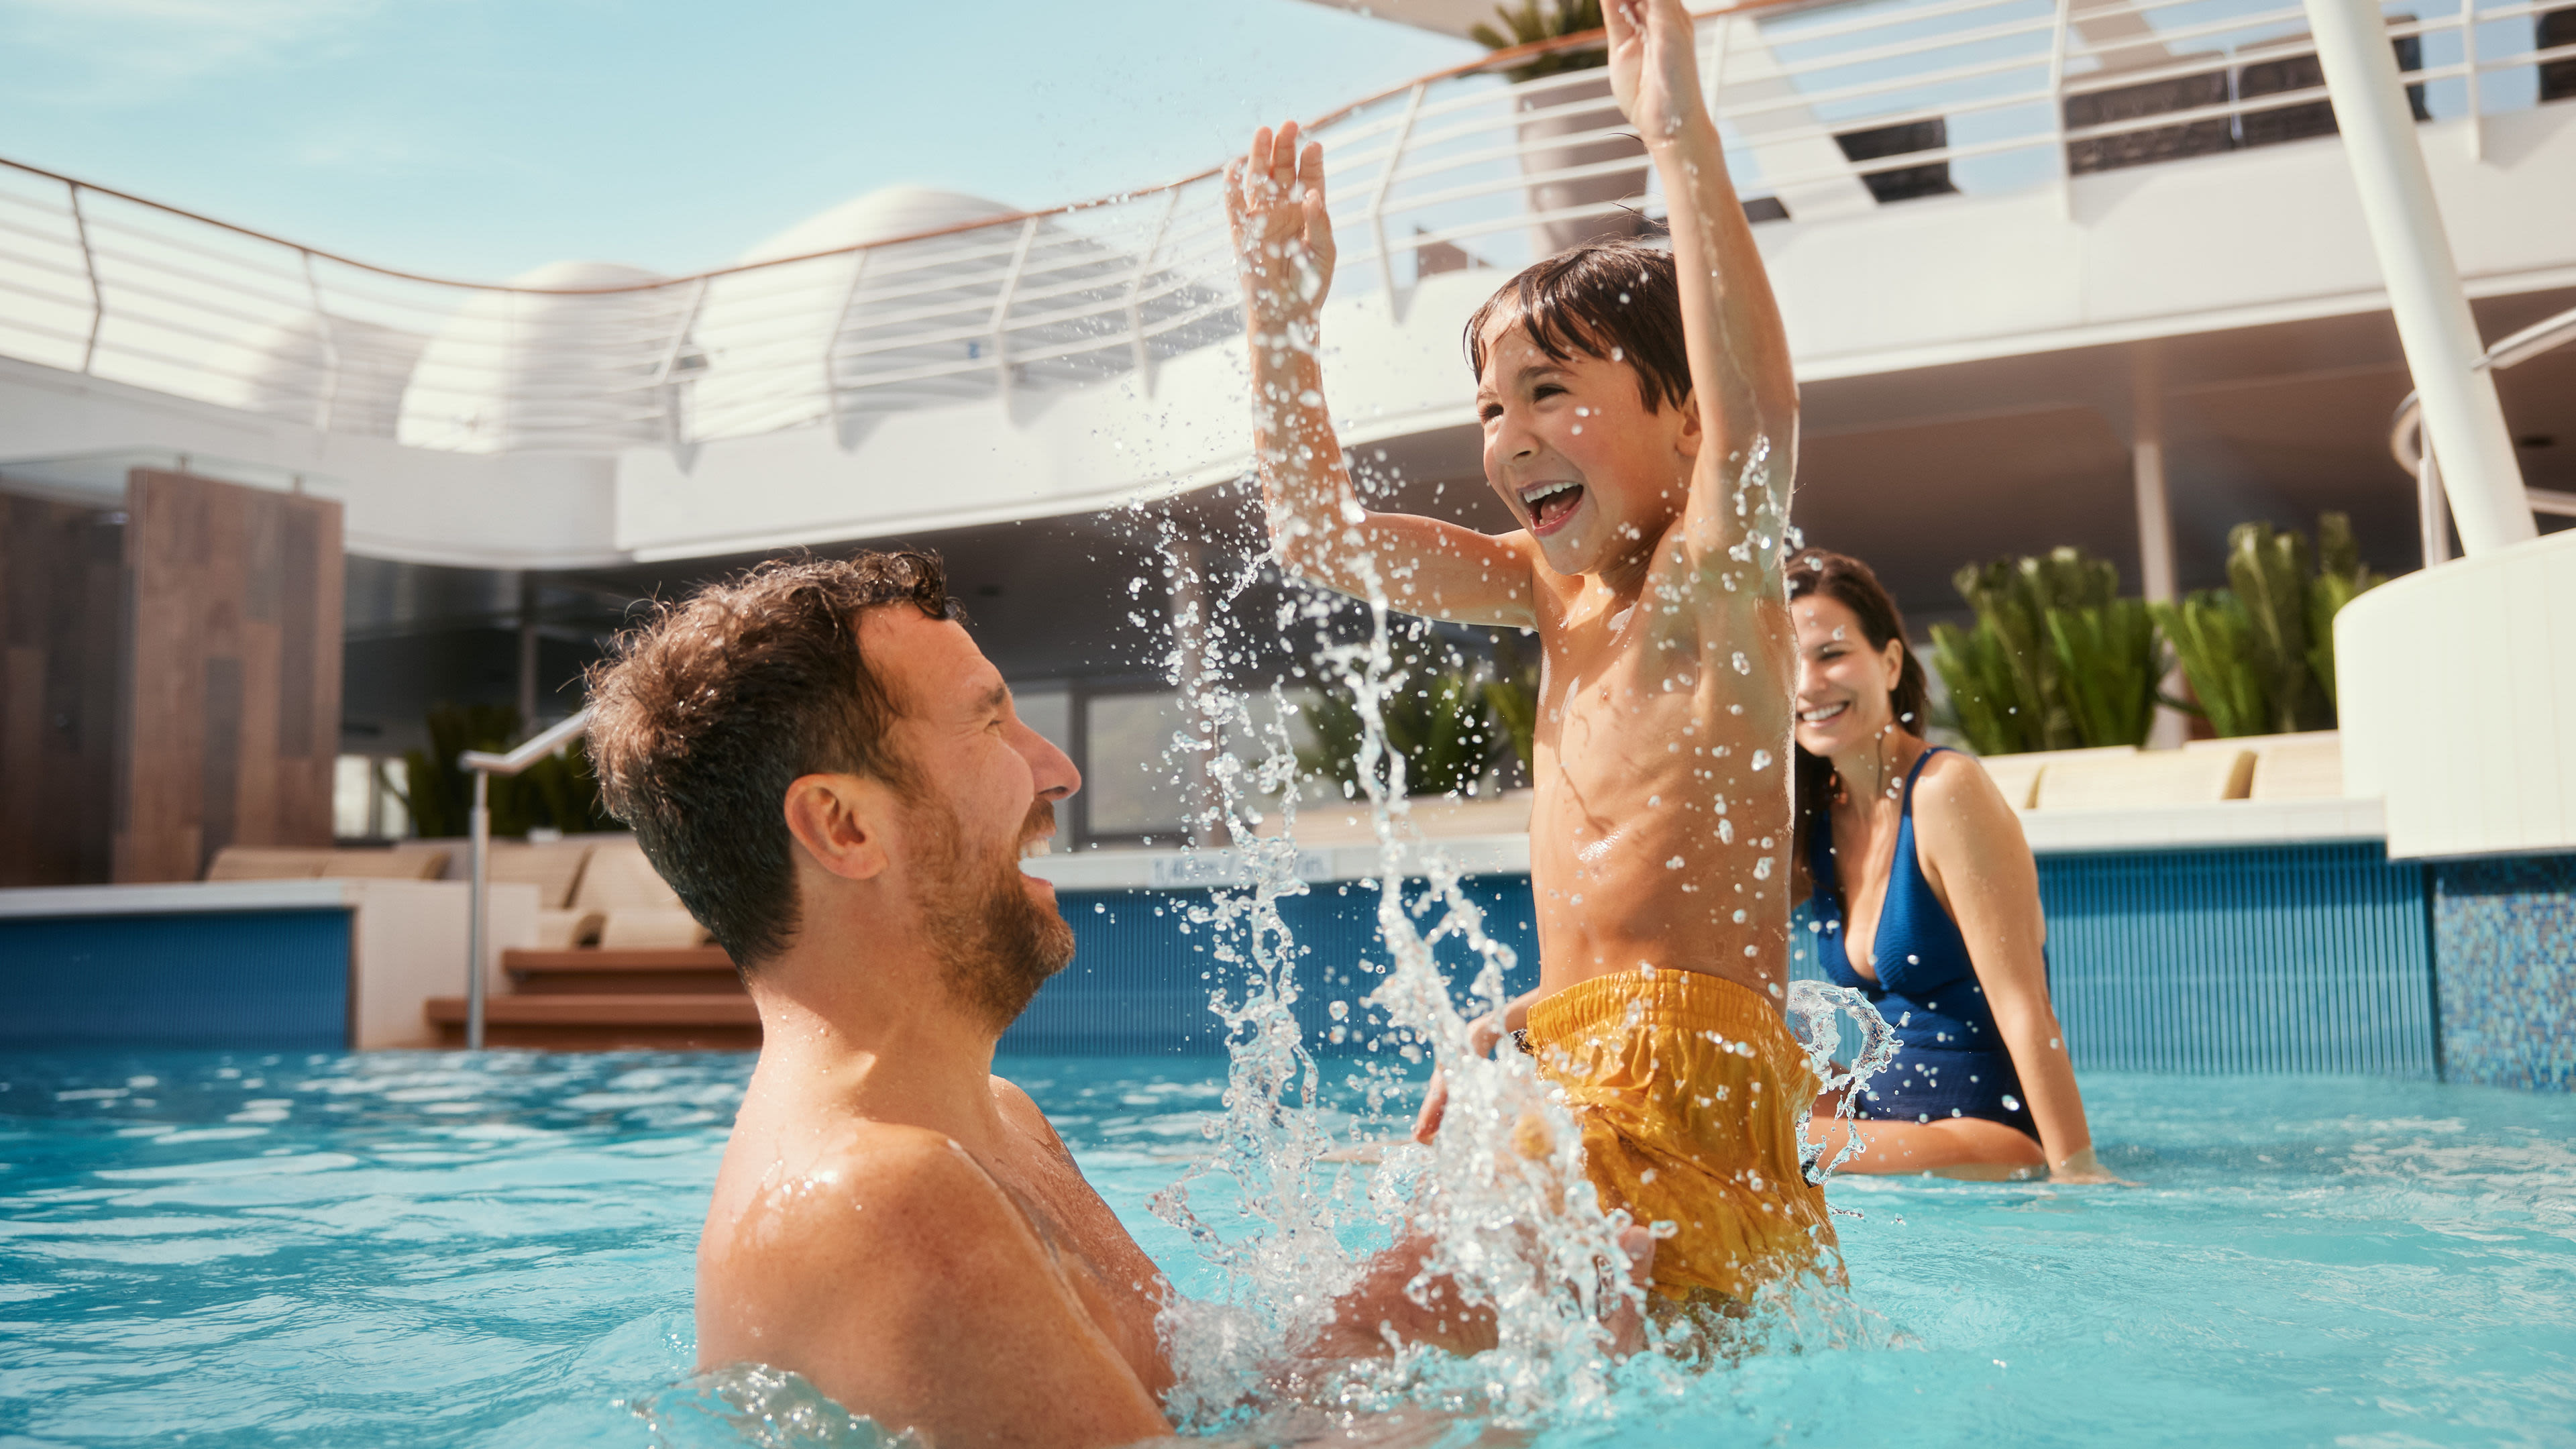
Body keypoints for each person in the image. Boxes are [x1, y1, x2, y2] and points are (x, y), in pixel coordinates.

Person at [582, 551, 1645, 1449]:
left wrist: (1426, 1281)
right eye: (989, 725)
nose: (1056, 770)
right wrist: (1543, 1381)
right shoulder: (878, 1203)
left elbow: (1225, 1406)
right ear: (845, 828)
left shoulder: (995, 1120)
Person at [1231, 0, 1835, 1307]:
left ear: (1683, 418)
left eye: (1556, 391)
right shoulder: (1542, 591)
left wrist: (1680, 142)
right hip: (1580, 1060)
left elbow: (1764, 408)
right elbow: (1313, 537)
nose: (1509, 436)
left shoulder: (1710, 583)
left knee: (1391, 1344)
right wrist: (1282, 325)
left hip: (1683, 1070)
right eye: (1492, 405)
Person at [1784, 548, 2117, 1182]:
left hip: (1985, 1130)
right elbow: (1702, 942)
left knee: (1746, 1137)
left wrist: (2079, 1174)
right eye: (1788, 663)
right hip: (1887, 1119)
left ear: (1888, 661)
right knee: (1697, 1094)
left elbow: (2024, 1005)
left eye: (1832, 654)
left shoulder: (1944, 791)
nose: (1808, 684)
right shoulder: (1820, 816)